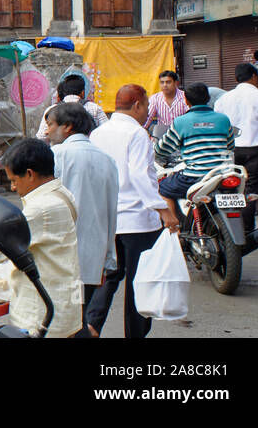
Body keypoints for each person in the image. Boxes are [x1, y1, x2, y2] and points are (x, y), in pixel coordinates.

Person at [0, 138, 83, 338]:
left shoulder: (41, 208)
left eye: (14, 180)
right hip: (64, 301)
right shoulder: (64, 194)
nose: (14, 188)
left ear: (30, 174)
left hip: (41, 312)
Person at [88, 83, 179, 339]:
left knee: (110, 275)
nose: (147, 112)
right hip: (137, 221)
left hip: (108, 220)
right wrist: (163, 209)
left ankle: (93, 324)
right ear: (137, 105)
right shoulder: (136, 134)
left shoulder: (98, 134)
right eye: (147, 106)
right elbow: (140, 176)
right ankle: (135, 334)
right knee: (139, 282)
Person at [44, 102, 118, 337]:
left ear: (67, 127)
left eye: (50, 125)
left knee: (60, 320)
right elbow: (111, 212)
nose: (47, 131)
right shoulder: (107, 160)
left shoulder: (57, 155)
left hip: (60, 256)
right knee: (77, 316)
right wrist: (108, 259)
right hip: (91, 257)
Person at [214, 62, 258, 219]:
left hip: (230, 152)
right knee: (250, 193)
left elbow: (219, 128)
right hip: (255, 152)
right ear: (254, 77)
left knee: (230, 191)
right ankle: (247, 230)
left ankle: (230, 231)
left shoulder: (223, 99)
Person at [154, 82, 235, 207]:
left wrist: (156, 149)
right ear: (208, 98)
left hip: (194, 177)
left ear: (186, 100)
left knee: (161, 187)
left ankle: (173, 225)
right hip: (222, 174)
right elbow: (230, 146)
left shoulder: (180, 122)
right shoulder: (223, 119)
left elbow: (163, 149)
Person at [35, 74, 106, 139]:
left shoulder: (51, 110)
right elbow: (105, 131)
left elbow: (41, 136)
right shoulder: (94, 108)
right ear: (82, 93)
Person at [144, 70, 188, 135]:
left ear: (176, 83)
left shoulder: (185, 97)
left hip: (182, 133)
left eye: (168, 82)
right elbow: (148, 118)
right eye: (162, 82)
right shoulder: (155, 98)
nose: (165, 85)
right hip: (162, 135)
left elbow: (191, 117)